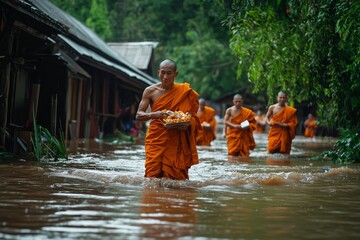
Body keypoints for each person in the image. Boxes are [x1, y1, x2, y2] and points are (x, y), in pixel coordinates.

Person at [136, 59, 201, 180]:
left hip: (176, 137)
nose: (165, 77)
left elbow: (192, 116)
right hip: (156, 137)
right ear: (158, 72)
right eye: (163, 72)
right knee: (151, 176)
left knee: (175, 178)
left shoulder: (184, 91)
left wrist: (187, 123)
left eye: (169, 73)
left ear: (176, 74)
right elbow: (139, 115)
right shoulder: (150, 91)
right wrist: (154, 114)